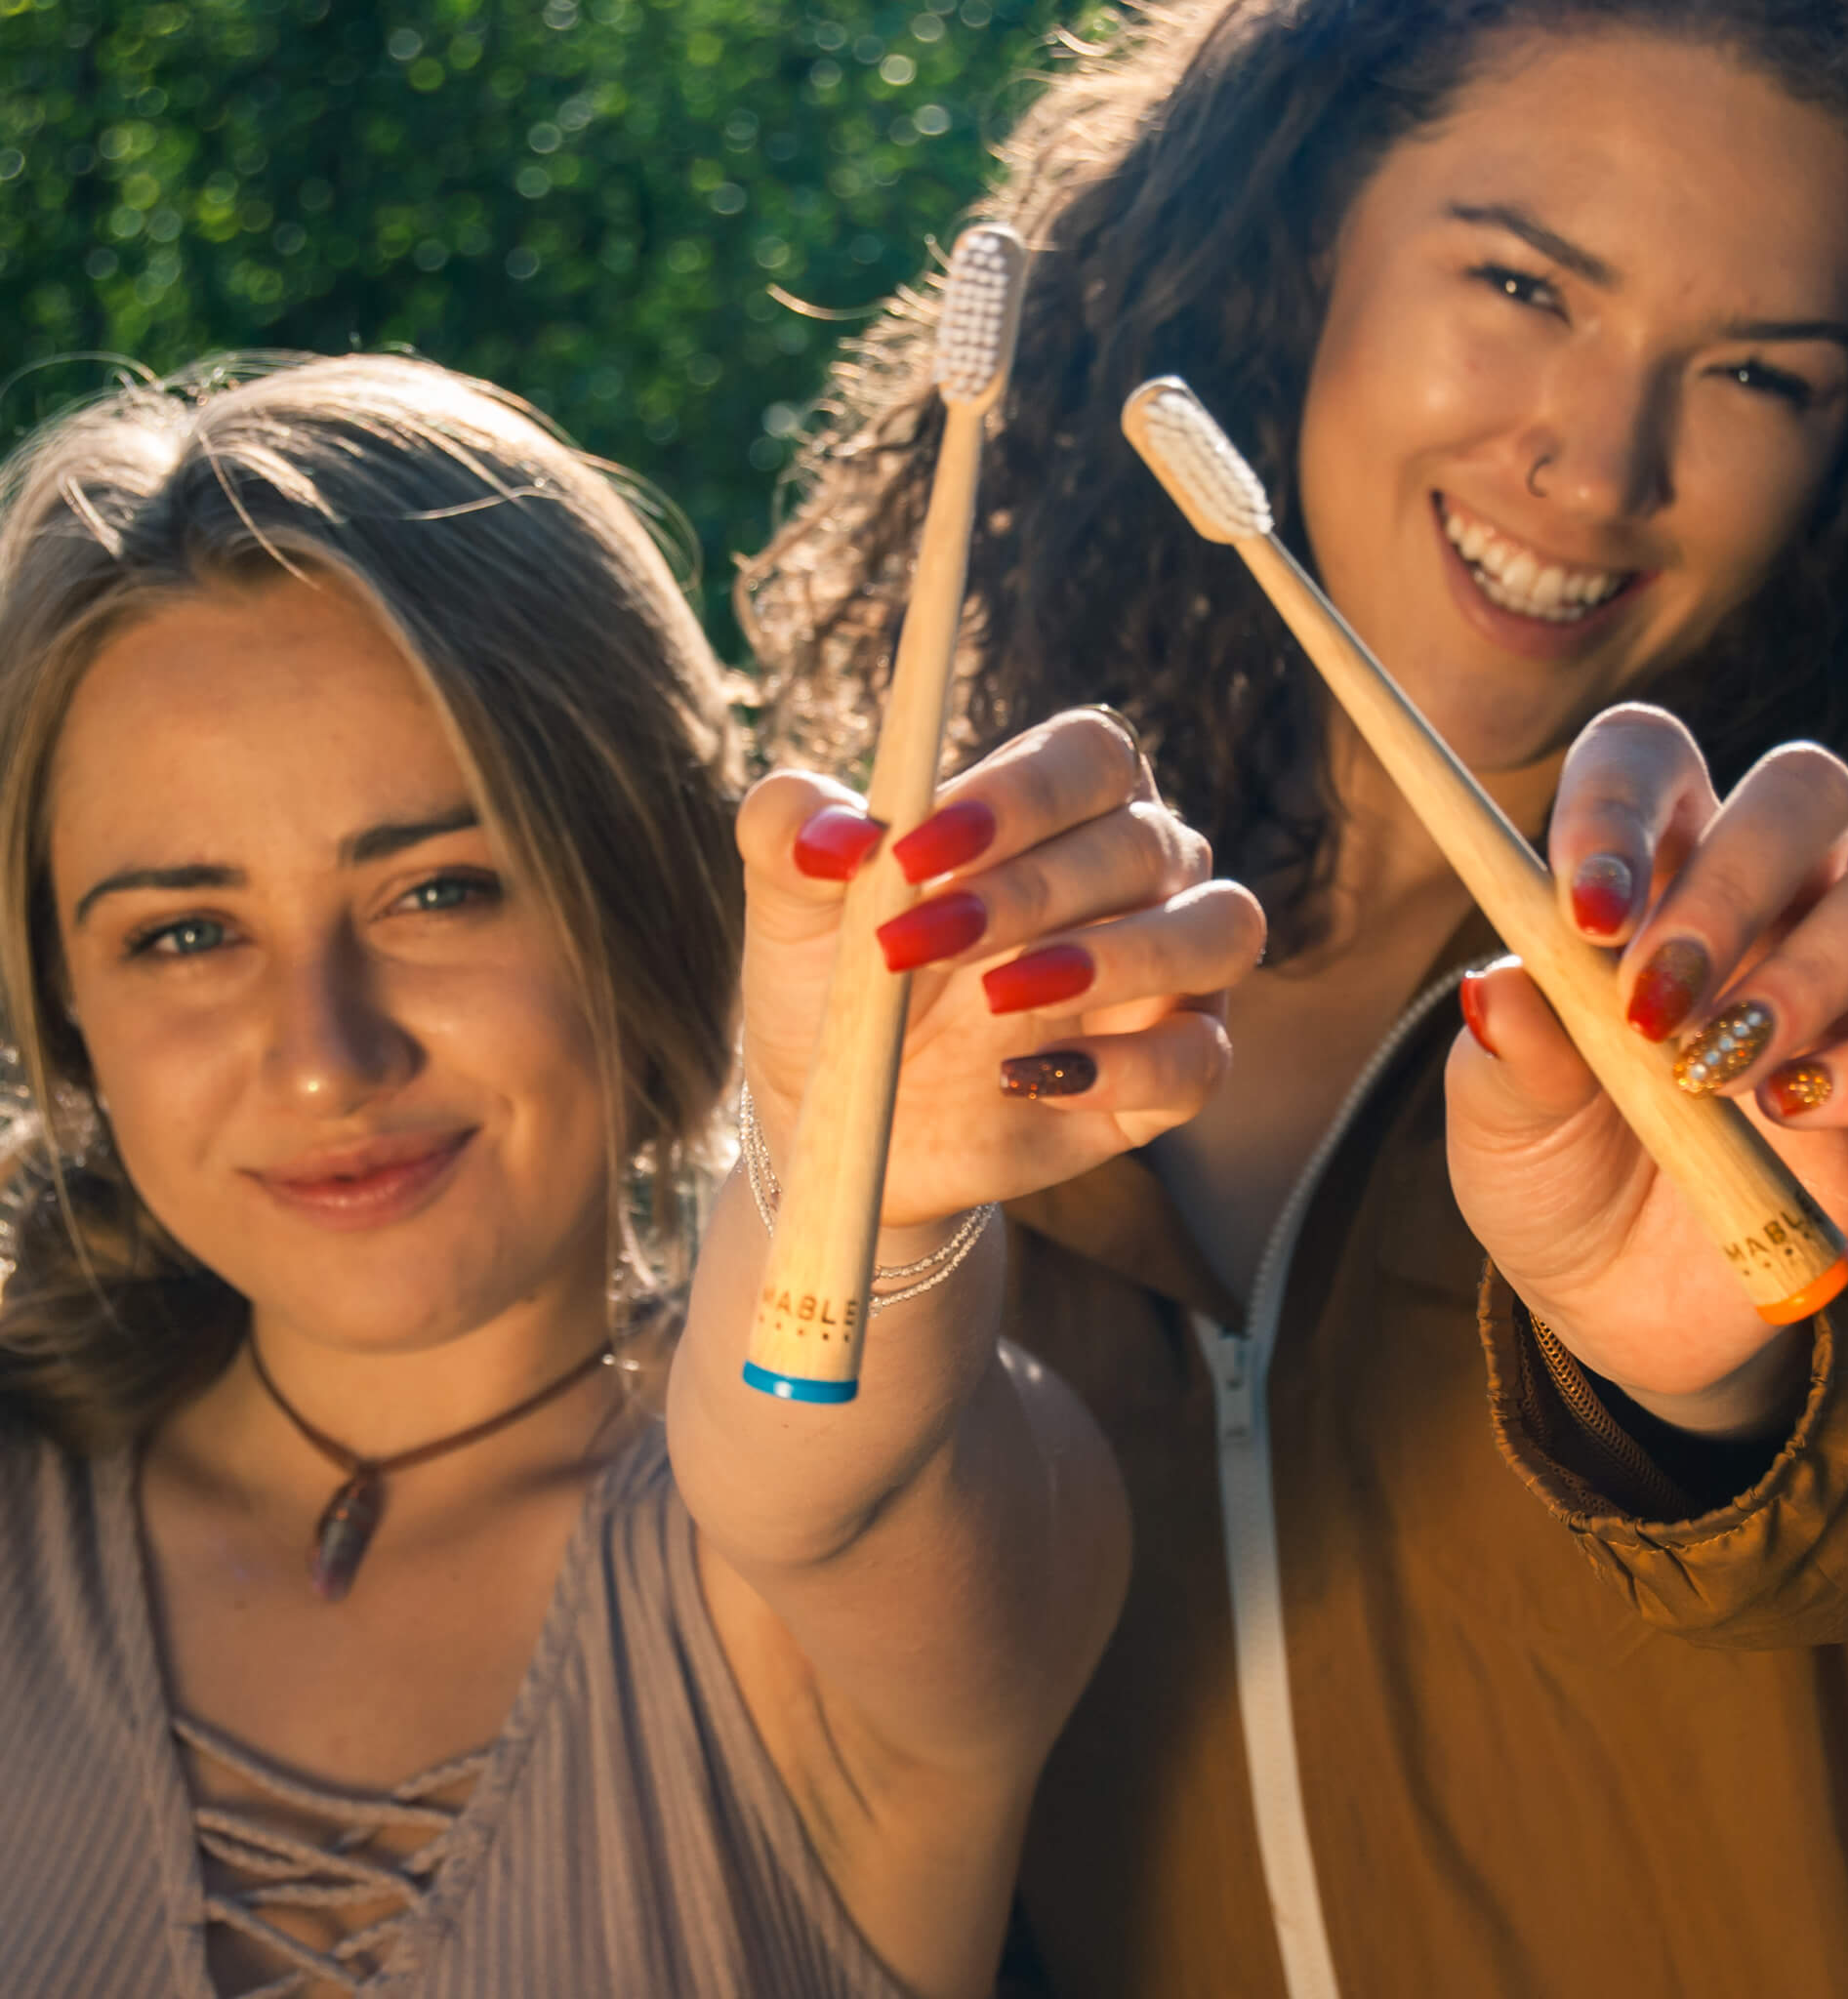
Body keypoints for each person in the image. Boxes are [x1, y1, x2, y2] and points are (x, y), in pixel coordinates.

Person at [739, 1, 1848, 1991]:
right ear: (1298, 248)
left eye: (1760, 371)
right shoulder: (980, 994)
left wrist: (1717, 1380)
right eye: (1521, 284)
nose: (1596, 465)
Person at [0, 351, 1263, 1999]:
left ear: (643, 890)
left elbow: (822, 1471)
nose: (325, 1055)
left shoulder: (833, 1578)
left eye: (439, 891)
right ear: (68, 1005)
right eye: (185, 933)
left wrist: (852, 1170)